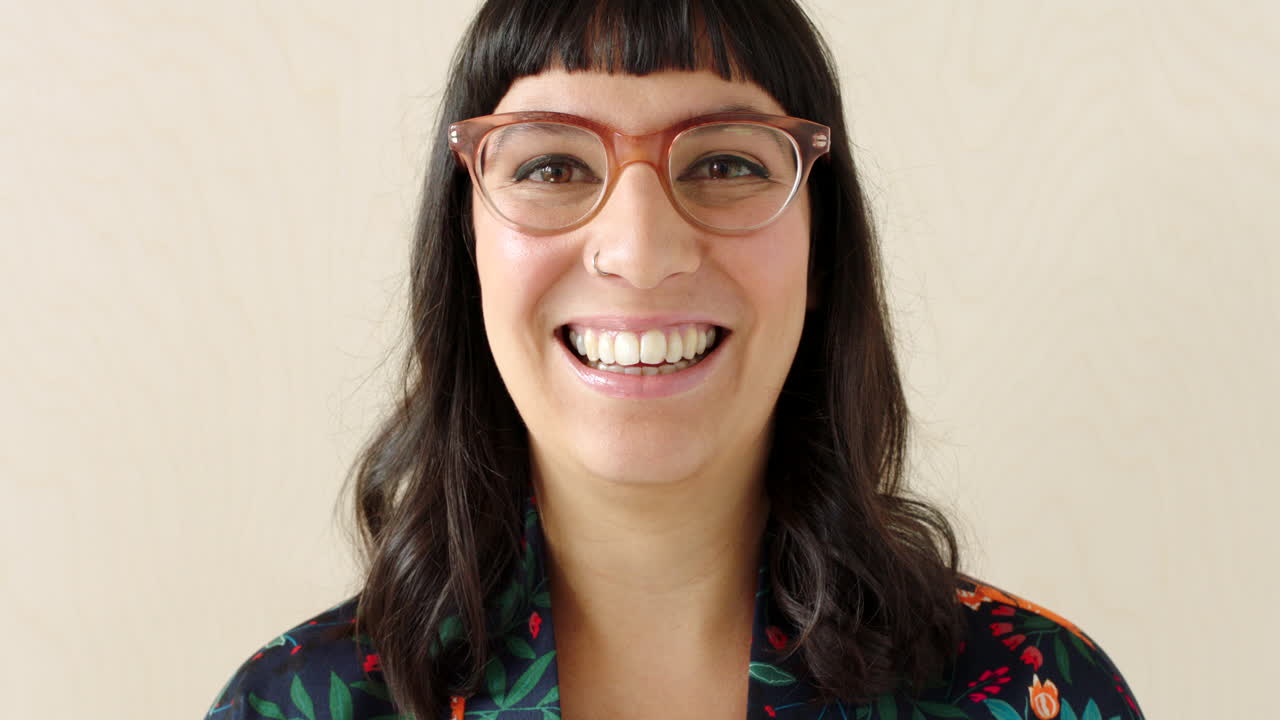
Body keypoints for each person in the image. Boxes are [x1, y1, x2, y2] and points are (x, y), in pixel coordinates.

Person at [205, 1, 1146, 719]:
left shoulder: (1031, 696)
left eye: (727, 164)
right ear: (468, 248)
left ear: (823, 248)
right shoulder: (291, 704)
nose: (641, 248)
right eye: (552, 166)